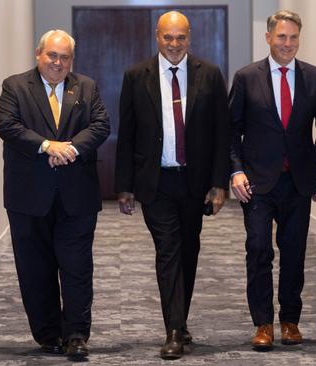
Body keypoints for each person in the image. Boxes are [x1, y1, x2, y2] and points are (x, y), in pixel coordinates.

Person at [114, 10, 230, 360]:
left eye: (181, 37)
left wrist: (218, 183)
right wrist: (124, 185)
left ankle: (180, 318)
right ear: (157, 36)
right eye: (168, 37)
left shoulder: (208, 75)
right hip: (156, 182)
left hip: (194, 183)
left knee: (189, 250)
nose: (175, 44)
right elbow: (127, 135)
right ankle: (174, 331)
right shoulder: (136, 76)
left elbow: (221, 135)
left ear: (189, 37)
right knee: (169, 252)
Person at [229, 10, 316, 351]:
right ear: (268, 38)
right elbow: (231, 130)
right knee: (259, 250)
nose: (287, 44)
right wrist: (235, 170)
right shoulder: (246, 77)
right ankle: (263, 322)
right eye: (281, 37)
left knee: (294, 252)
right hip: (257, 183)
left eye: (293, 37)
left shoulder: (314, 77)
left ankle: (290, 320)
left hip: (298, 181)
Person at [0, 29, 110, 360]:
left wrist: (71, 148)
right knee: (35, 268)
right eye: (52, 56)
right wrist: (48, 146)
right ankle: (48, 335)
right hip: (28, 198)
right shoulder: (15, 86)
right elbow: (8, 126)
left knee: (77, 267)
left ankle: (76, 335)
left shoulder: (86, 86)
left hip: (77, 196)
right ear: (39, 54)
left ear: (71, 60)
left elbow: (101, 125)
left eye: (64, 57)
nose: (58, 63)